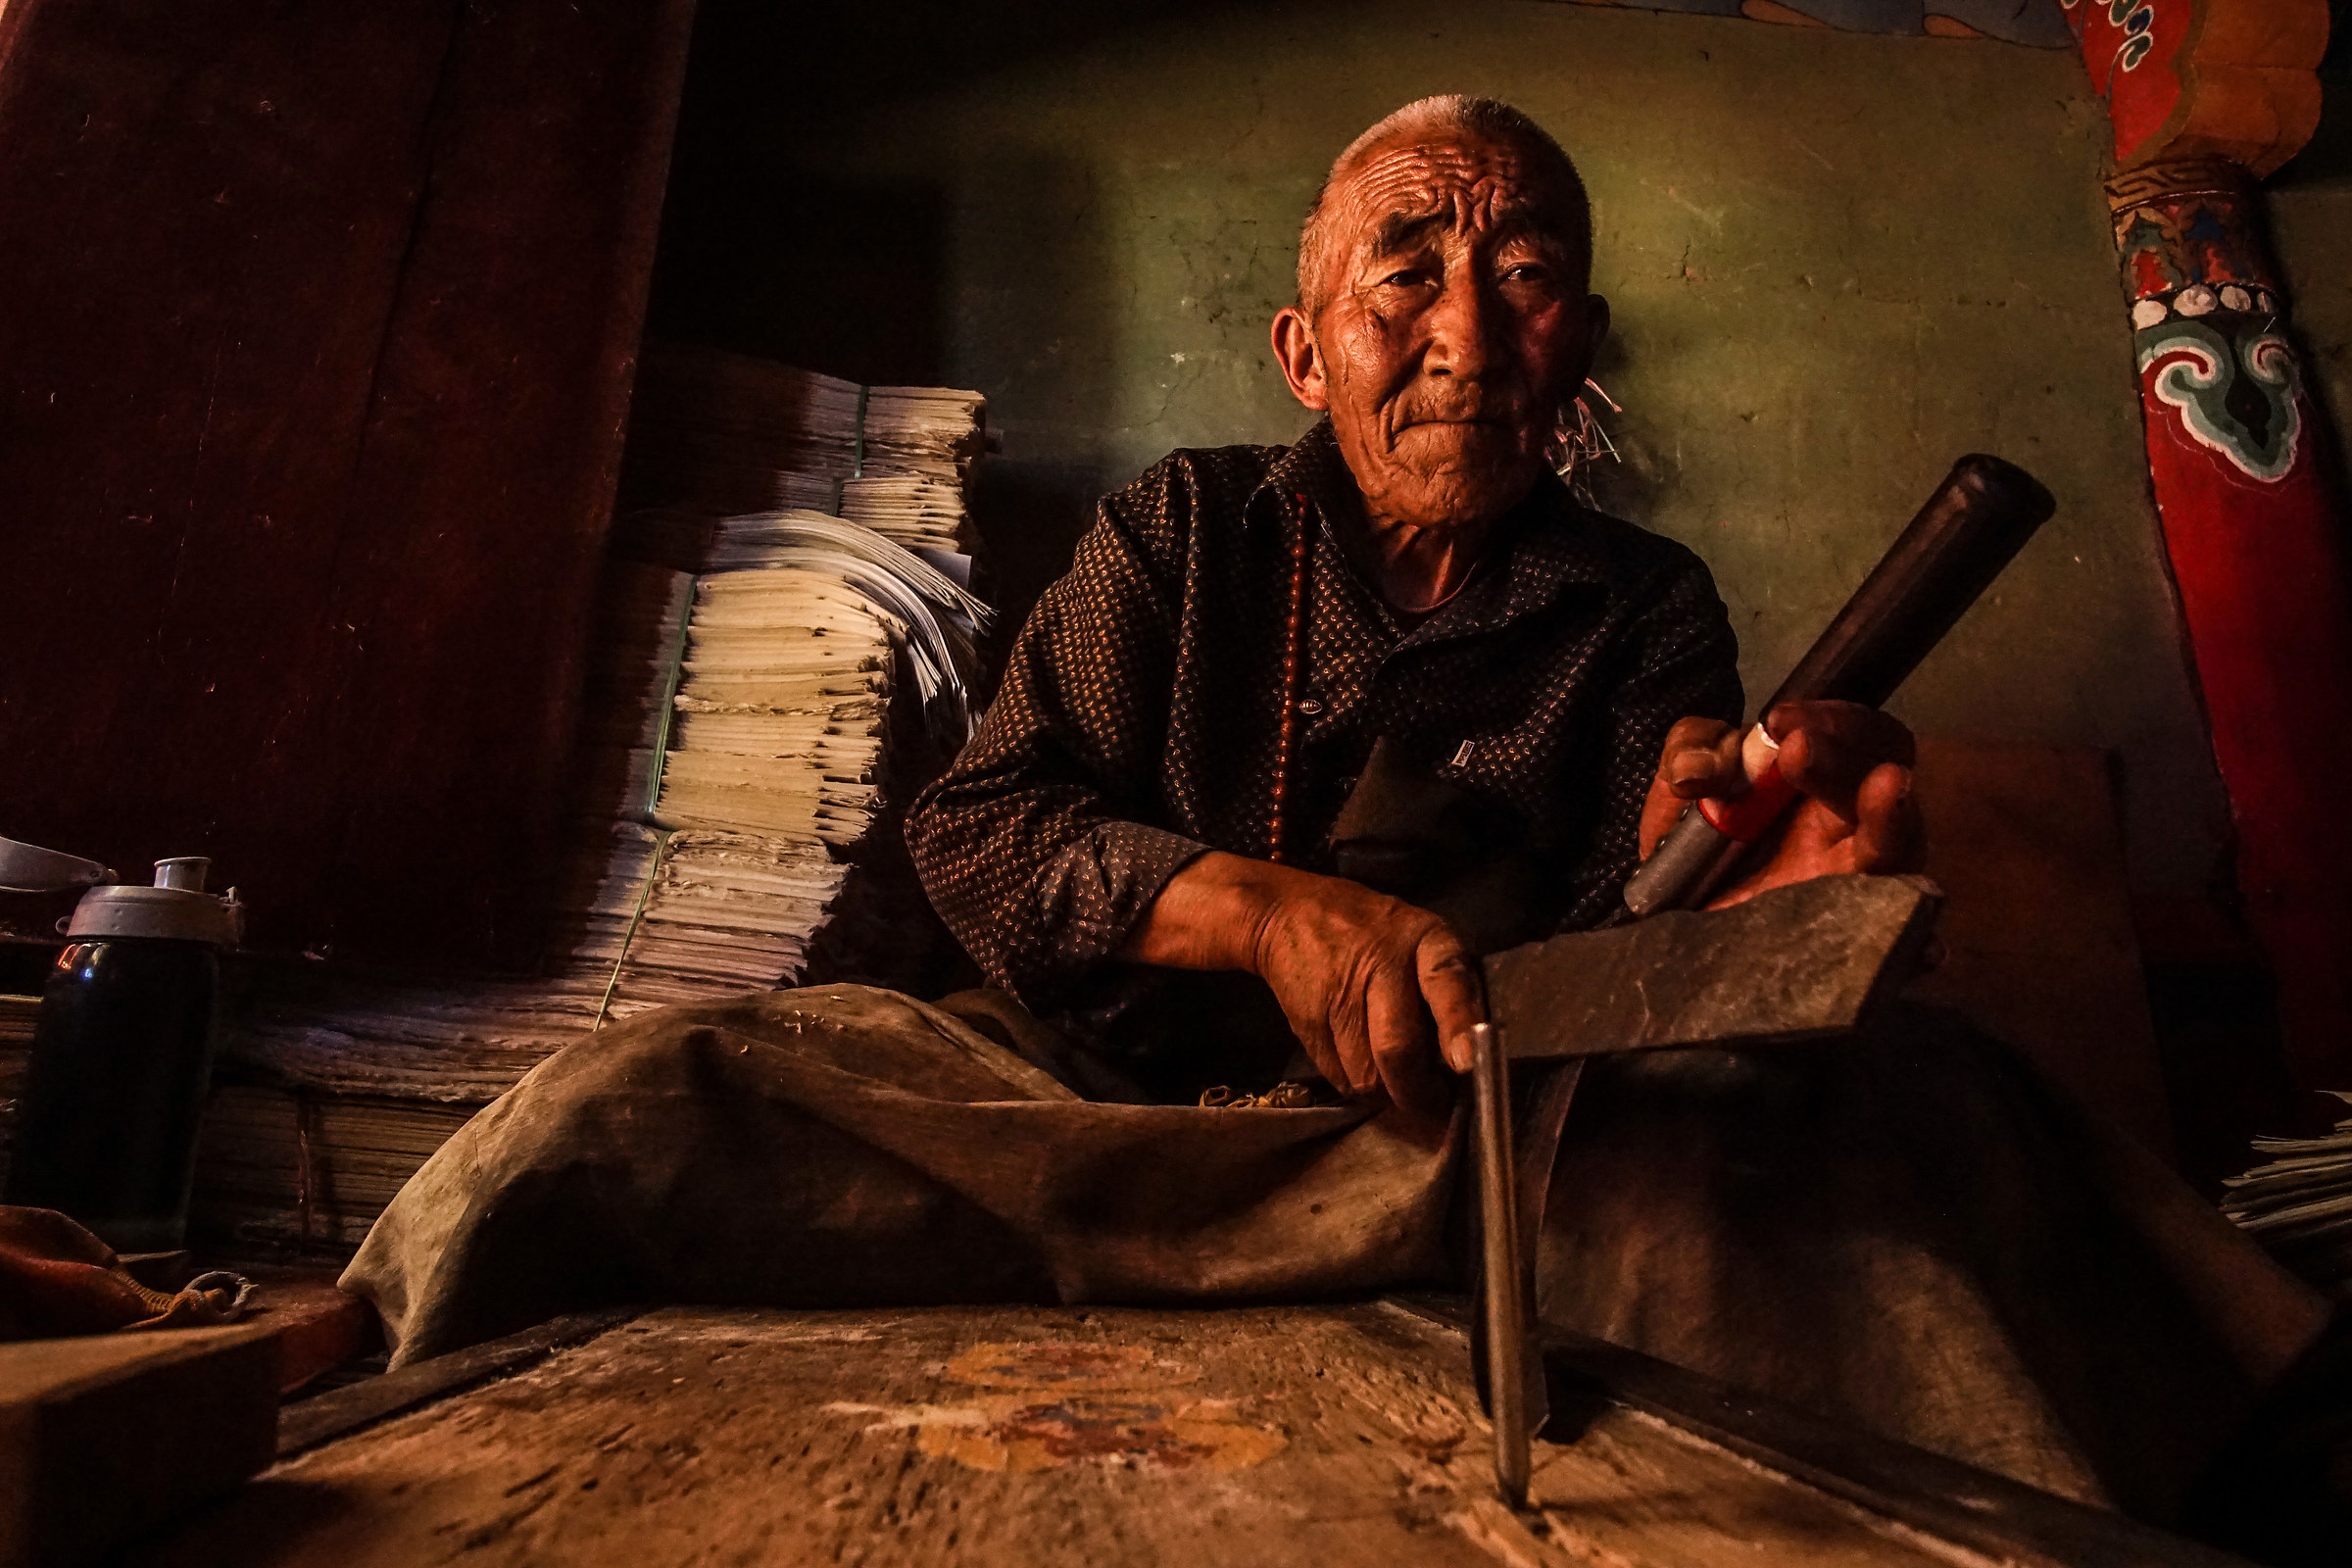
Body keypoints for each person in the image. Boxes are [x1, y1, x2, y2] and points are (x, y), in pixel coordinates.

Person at [342, 96, 2334, 1549]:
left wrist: (1745, 885)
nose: (1471, 322)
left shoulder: (1644, 606)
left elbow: (1647, 906)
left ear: (1576, 354)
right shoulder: (1185, 531)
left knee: (1912, 1099)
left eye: (1530, 275)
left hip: (1439, 1152)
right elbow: (987, 830)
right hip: (1080, 1108)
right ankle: (322, 1356)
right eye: (1414, 268)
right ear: (1308, 349)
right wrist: (1263, 916)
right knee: (666, 1081)